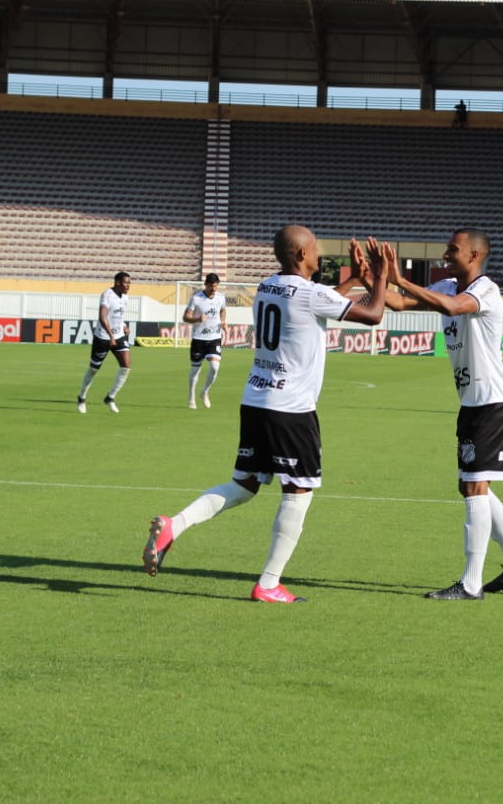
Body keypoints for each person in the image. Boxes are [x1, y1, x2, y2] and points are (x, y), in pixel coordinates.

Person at [142, 226, 388, 603]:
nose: (319, 256)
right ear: (302, 255)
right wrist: (382, 272)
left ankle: (174, 525)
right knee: (299, 489)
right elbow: (373, 314)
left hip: (256, 400)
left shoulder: (268, 286)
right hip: (290, 409)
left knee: (244, 485)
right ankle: (269, 584)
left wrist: (354, 278)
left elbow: (316, 304)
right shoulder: (308, 293)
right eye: (315, 250)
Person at [374, 228, 503, 601]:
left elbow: (451, 307)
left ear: (475, 255)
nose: (446, 254)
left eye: (453, 249)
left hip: (494, 402)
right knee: (471, 485)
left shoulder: (485, 290)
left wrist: (401, 278)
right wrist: (375, 277)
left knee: (476, 487)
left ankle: (470, 583)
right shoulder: (447, 286)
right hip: (473, 402)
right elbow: (398, 305)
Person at [76, 271, 132, 414]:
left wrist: (124, 325)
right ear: (118, 282)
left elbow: (119, 315)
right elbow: (103, 317)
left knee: (126, 366)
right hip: (103, 337)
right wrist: (110, 336)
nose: (128, 285)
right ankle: (82, 397)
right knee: (94, 369)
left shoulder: (125, 298)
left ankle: (110, 397)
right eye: (126, 282)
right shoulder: (107, 295)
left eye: (129, 282)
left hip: (118, 336)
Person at [183, 273, 227, 409]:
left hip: (214, 338)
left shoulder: (221, 298)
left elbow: (223, 310)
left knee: (215, 367)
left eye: (215, 286)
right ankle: (191, 397)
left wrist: (223, 322)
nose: (213, 289)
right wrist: (197, 319)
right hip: (198, 339)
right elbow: (185, 317)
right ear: (205, 285)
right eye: (211, 286)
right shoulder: (196, 298)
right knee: (195, 370)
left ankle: (204, 392)